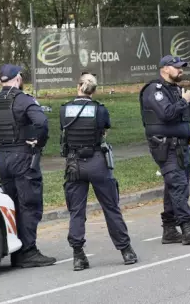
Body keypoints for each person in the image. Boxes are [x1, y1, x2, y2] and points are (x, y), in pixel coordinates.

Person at [60, 73, 137, 270]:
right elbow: (104, 130)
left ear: (78, 87)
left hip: (74, 164)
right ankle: (126, 250)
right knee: (110, 207)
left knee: (77, 211)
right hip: (97, 161)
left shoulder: (65, 109)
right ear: (93, 90)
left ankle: (78, 256)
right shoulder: (100, 110)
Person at [0, 64, 56, 267]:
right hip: (22, 157)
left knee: (11, 204)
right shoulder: (24, 100)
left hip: (3, 158)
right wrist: (39, 142)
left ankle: (16, 249)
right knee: (29, 204)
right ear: (17, 78)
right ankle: (28, 252)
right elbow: (42, 122)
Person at [139, 55, 190, 245]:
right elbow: (166, 113)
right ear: (165, 69)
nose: (181, 70)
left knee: (175, 186)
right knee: (178, 185)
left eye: (181, 67)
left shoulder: (176, 89)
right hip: (164, 146)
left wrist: (189, 102)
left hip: (180, 145)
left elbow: (188, 115)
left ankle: (169, 230)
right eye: (177, 67)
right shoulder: (154, 90)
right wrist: (184, 101)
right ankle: (187, 229)